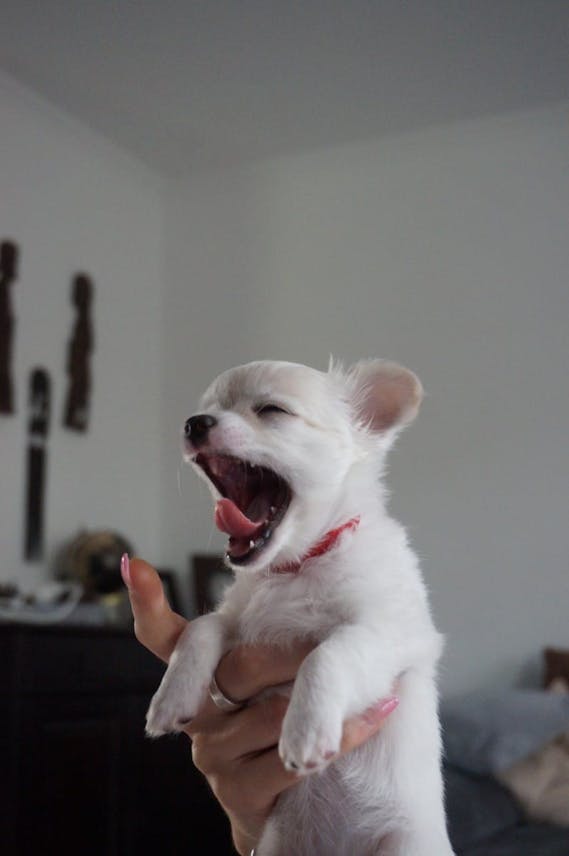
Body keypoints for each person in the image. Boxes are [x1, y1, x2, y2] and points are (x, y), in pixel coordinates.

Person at [124, 557, 399, 856]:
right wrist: (252, 836)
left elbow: (394, 638)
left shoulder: (375, 570)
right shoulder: (257, 583)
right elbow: (231, 623)